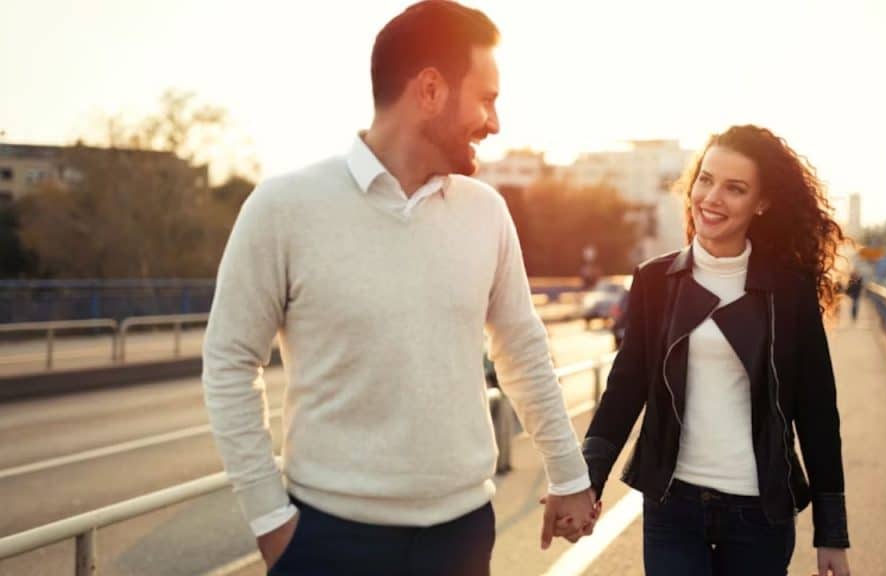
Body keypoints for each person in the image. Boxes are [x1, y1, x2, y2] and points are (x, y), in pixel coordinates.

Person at [202, 2, 596, 574]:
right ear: (431, 90)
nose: (495, 122)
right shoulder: (283, 208)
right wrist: (271, 523)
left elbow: (521, 347)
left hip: (460, 539)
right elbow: (229, 361)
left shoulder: (486, 213)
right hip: (328, 541)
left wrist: (568, 473)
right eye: (486, 98)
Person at [580, 125, 852, 575]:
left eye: (735, 188)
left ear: (761, 203)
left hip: (759, 515)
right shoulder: (654, 281)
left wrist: (832, 534)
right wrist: (586, 480)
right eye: (705, 180)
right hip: (673, 508)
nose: (712, 197)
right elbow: (624, 389)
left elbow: (818, 412)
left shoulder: (789, 292)